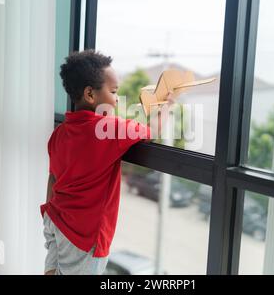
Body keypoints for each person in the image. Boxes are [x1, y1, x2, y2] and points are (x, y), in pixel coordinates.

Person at [40, 50, 174, 275]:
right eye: (113, 92)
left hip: (55, 220)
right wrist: (167, 105)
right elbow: (153, 129)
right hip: (83, 237)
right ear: (90, 94)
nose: (116, 99)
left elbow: (53, 178)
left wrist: (47, 216)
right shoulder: (109, 130)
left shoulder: (59, 133)